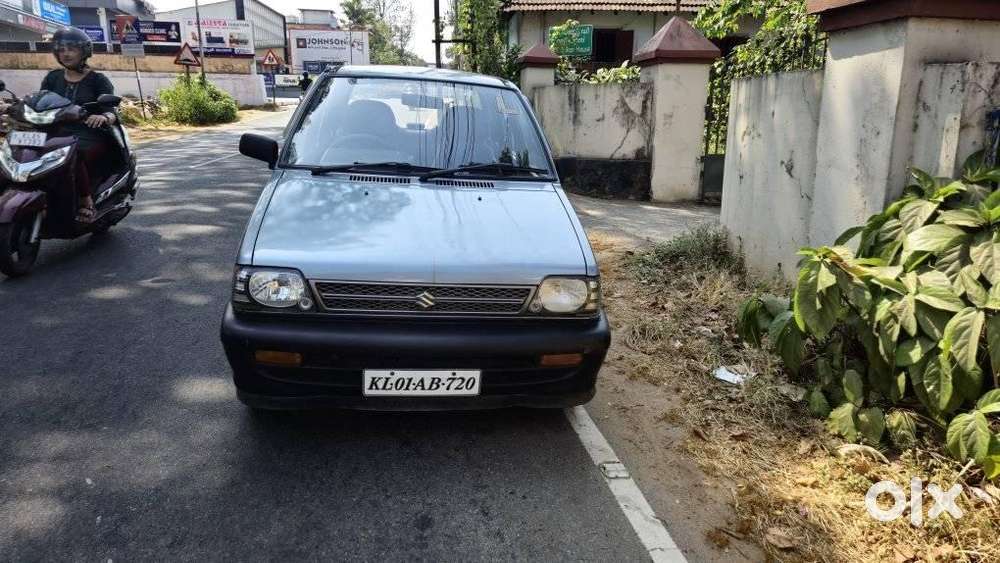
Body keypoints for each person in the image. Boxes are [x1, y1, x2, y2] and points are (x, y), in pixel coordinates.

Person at [42, 27, 117, 223]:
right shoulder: (52, 78)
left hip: (89, 134)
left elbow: (112, 109)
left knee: (72, 153)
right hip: (55, 132)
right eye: (61, 49)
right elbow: (40, 101)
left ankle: (86, 202)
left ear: (83, 52)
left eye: (71, 49)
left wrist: (105, 117)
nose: (65, 53)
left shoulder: (97, 80)